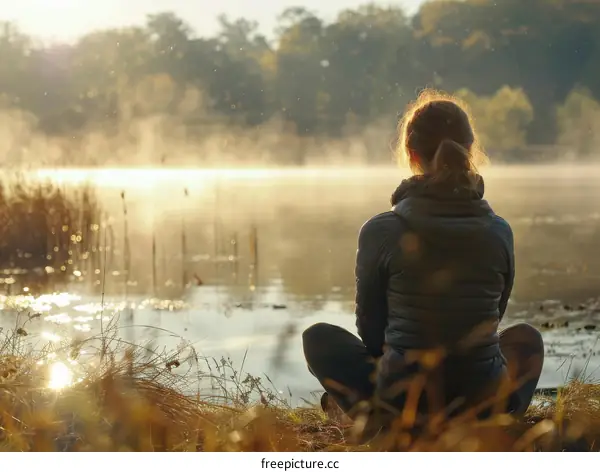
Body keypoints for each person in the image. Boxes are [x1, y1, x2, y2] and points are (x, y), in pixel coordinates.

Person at [302, 89, 544, 431]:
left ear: (411, 154)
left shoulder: (381, 230)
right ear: (470, 149)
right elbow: (493, 316)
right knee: (527, 338)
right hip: (483, 399)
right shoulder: (499, 230)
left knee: (318, 337)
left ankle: (381, 419)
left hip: (405, 398)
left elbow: (371, 332)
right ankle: (494, 420)